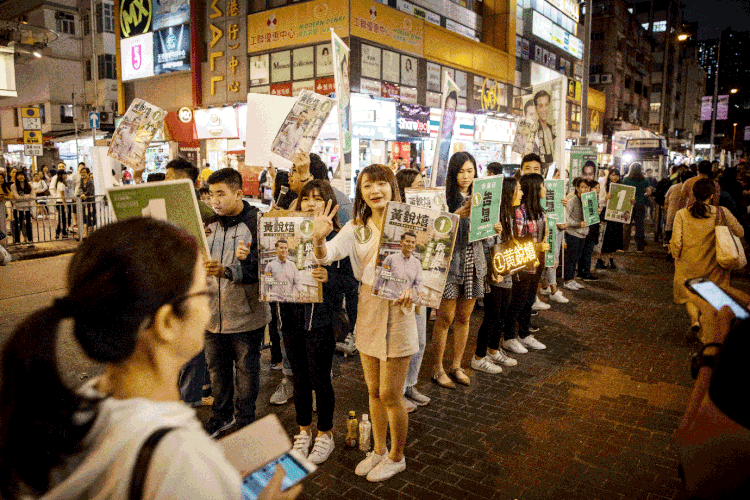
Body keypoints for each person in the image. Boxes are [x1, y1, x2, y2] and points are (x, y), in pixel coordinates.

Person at [0, 218, 301, 500]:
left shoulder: (80, 406)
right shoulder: (183, 462)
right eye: (204, 294)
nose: (209, 310)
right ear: (167, 322)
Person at [313, 164, 417, 482]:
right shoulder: (357, 227)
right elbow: (326, 255)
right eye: (367, 185)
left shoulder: (412, 223)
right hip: (368, 305)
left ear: (392, 187)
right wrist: (318, 238)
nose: (374, 190)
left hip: (400, 310)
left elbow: (430, 269)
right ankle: (378, 450)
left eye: (381, 183)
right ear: (361, 192)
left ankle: (397, 456)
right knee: (372, 389)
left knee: (390, 393)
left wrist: (414, 289)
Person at [244, 180, 343, 465]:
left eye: (317, 198)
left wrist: (330, 278)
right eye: (306, 199)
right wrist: (251, 260)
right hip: (289, 318)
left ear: (328, 203)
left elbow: (349, 281)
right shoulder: (285, 234)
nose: (311, 203)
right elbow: (268, 270)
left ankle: (325, 434)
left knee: (320, 378)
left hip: (320, 321)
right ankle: (303, 431)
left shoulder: (336, 236)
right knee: (297, 377)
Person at [204, 168, 271, 437]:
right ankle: (221, 416)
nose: (215, 201)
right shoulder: (208, 224)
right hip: (211, 316)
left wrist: (230, 270)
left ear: (239, 193)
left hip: (246, 314)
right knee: (217, 371)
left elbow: (268, 267)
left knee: (246, 370)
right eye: (211, 195)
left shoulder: (258, 223)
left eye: (221, 194)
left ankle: (245, 418)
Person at [430, 152, 486, 388]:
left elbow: (488, 236)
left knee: (464, 318)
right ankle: (437, 368)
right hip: (451, 263)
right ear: (453, 173)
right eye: (461, 171)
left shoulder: (482, 197)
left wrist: (494, 227)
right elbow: (433, 232)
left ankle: (456, 365)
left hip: (474, 262)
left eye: (470, 171)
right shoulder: (442, 198)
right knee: (445, 318)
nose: (465, 176)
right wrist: (454, 216)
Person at [670, 178, 744, 338]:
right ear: (711, 195)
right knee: (711, 297)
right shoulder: (721, 212)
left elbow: (676, 242)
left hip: (687, 264)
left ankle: (695, 320)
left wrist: (675, 255)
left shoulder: (682, 214)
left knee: (690, 296)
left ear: (693, 194)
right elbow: (740, 232)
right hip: (713, 265)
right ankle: (709, 332)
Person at [473, 176, 521, 373]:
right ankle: (478, 356)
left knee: (501, 314)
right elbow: (487, 245)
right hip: (496, 273)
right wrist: (491, 271)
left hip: (506, 271)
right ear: (509, 193)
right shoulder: (494, 215)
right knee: (492, 316)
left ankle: (493, 350)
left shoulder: (509, 215)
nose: (522, 193)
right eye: (519, 189)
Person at [395, 169, 431, 411]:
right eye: (417, 185)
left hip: (421, 287)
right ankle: (397, 392)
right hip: (399, 293)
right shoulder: (395, 218)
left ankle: (410, 384)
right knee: (404, 344)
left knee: (420, 340)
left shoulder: (428, 215)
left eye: (423, 184)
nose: (422, 188)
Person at [501, 173, 548, 354]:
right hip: (523, 263)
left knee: (529, 300)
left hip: (537, 262)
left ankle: (524, 333)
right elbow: (517, 241)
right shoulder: (520, 212)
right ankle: (509, 337)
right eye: (542, 186)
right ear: (535, 189)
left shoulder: (540, 211)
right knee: (518, 301)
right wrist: (538, 246)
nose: (545, 189)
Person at [373, 231, 423, 300]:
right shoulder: (390, 259)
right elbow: (381, 279)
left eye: (413, 242)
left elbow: (419, 282)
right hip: (387, 299)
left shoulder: (417, 263)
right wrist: (374, 296)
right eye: (408, 241)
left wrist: (420, 295)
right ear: (401, 242)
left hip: (404, 302)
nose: (410, 244)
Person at [562, 177, 591, 289]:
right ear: (577, 188)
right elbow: (566, 218)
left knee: (577, 257)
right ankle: (567, 281)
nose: (585, 189)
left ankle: (572, 279)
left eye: (587, 187)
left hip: (583, 234)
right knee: (571, 257)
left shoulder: (589, 200)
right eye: (582, 187)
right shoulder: (573, 200)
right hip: (573, 233)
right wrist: (578, 224)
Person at [622, 163, 651, 252]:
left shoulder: (626, 179)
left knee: (627, 225)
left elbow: (623, 191)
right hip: (640, 204)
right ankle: (640, 248)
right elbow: (649, 192)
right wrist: (643, 195)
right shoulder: (645, 180)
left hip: (629, 204)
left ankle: (624, 247)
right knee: (640, 226)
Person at [599, 169, 624, 269]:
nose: (615, 177)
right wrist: (606, 198)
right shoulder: (603, 186)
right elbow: (599, 201)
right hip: (605, 213)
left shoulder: (622, 188)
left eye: (617, 175)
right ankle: (599, 259)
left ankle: (611, 260)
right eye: (613, 175)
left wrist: (631, 202)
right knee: (604, 237)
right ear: (609, 176)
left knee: (614, 238)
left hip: (616, 215)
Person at [10, 170, 36, 243]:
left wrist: (22, 197)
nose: (20, 177)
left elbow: (33, 196)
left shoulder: (30, 185)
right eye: (18, 175)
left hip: (27, 208)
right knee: (18, 225)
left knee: (28, 224)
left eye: (22, 175)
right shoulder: (13, 186)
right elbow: (16, 197)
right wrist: (27, 197)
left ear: (25, 176)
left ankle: (30, 240)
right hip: (17, 208)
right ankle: (17, 241)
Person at [533, 90, 555, 173]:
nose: (544, 109)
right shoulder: (533, 132)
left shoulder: (553, 130)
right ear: (536, 108)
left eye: (546, 105)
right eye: (541, 106)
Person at [76, 167, 96, 236]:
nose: (82, 174)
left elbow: (90, 191)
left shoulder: (90, 181)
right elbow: (80, 187)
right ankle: (85, 233)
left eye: (84, 172)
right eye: (81, 172)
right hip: (84, 201)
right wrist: (82, 194)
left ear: (88, 173)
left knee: (91, 216)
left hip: (90, 201)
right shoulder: (81, 179)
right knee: (84, 217)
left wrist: (84, 195)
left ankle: (90, 233)